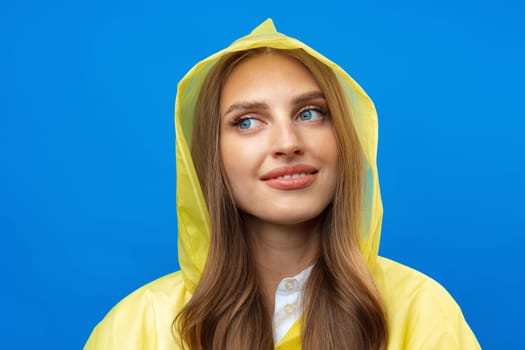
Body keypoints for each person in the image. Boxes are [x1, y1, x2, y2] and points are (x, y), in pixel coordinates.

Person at [84, 19, 481, 349]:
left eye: (309, 114)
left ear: (345, 137)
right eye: (247, 122)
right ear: (210, 156)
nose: (288, 143)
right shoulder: (137, 327)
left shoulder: (421, 310)